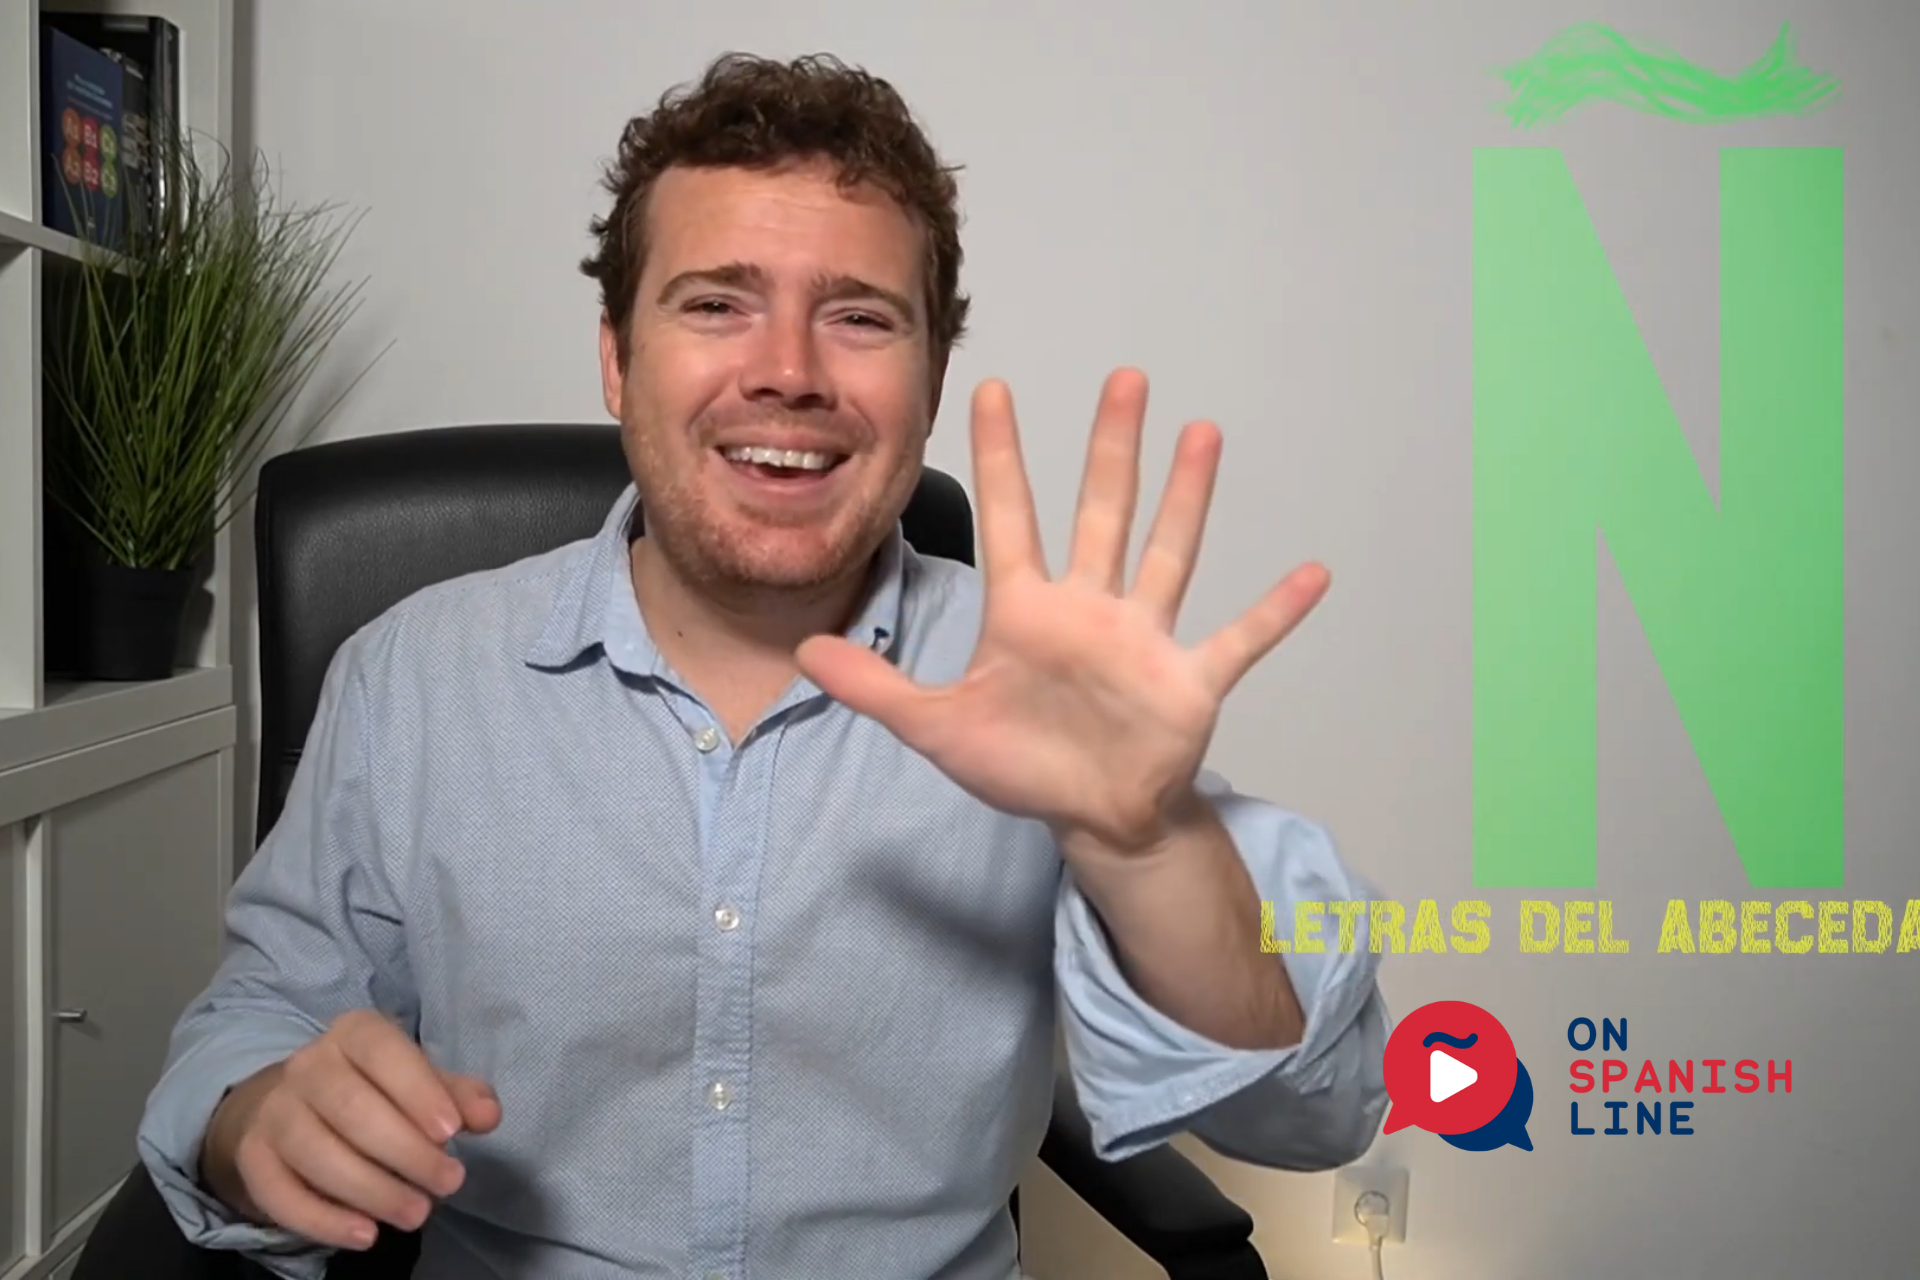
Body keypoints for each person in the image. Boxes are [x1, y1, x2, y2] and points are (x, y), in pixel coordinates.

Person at [136, 50, 1389, 1280]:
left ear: (929, 382)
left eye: (860, 316)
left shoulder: (1053, 689)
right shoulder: (413, 675)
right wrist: (257, 1118)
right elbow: (260, 1020)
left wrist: (1148, 845)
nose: (789, 370)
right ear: (618, 358)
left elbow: (1316, 1107)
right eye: (716, 303)